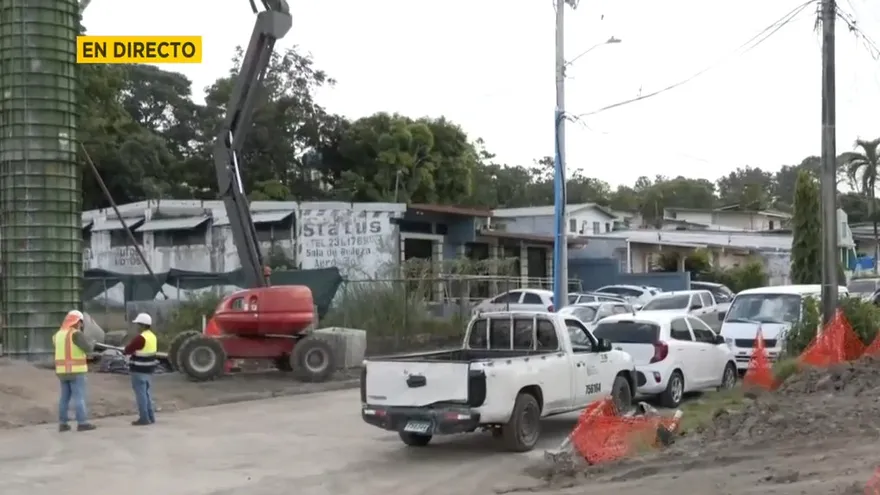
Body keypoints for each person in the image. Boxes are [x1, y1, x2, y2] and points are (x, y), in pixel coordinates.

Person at [54, 310, 97, 432]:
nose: (81, 325)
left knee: (64, 398)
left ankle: (63, 424)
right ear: (78, 322)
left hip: (62, 372)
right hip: (76, 371)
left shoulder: (58, 334)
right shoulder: (76, 334)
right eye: (81, 323)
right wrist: (92, 343)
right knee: (79, 397)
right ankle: (82, 422)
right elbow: (88, 348)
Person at [123, 313, 159, 426]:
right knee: (147, 394)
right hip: (149, 370)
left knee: (141, 395)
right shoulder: (153, 337)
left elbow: (128, 349)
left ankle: (144, 418)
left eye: (138, 324)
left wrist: (126, 350)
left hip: (138, 370)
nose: (137, 326)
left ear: (143, 325)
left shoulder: (140, 338)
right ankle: (150, 417)